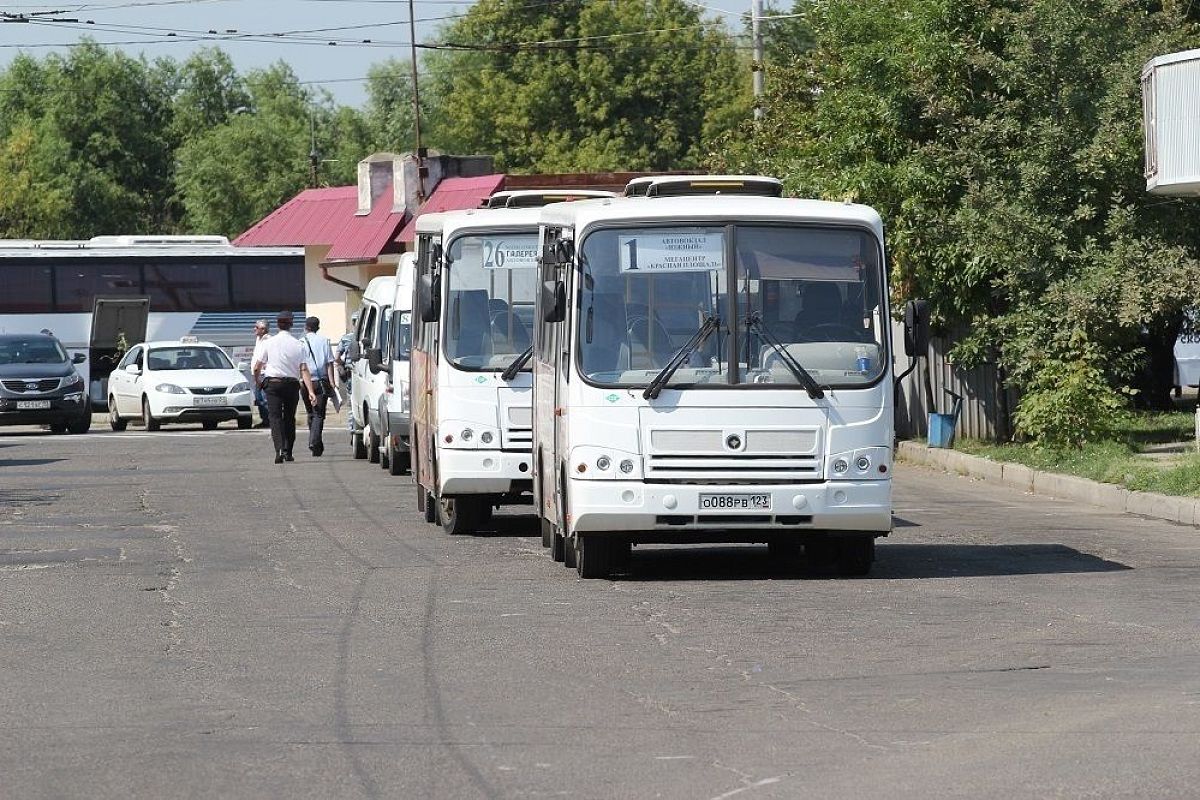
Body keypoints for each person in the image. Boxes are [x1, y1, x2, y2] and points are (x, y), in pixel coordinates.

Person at [252, 311, 317, 464]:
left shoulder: (268, 343)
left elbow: (257, 367)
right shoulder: (298, 344)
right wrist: (311, 391)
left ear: (277, 325)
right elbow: (303, 369)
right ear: (291, 325)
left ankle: (278, 450)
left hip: (273, 383)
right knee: (289, 417)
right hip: (291, 385)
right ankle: (288, 451)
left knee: (274, 418)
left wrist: (258, 382)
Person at [300, 315, 336, 457]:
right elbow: (329, 363)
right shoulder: (324, 341)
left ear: (305, 327)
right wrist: (332, 383)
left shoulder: (301, 342)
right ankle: (314, 441)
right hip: (321, 381)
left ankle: (316, 444)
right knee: (319, 414)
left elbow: (299, 364)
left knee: (311, 413)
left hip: (305, 381)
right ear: (318, 327)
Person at [250, 320, 271, 428]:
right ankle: (265, 419)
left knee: (264, 398)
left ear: (263, 329)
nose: (254, 329)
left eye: (256, 327)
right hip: (257, 373)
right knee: (259, 398)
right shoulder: (259, 339)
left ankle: (269, 421)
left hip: (263, 374)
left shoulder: (268, 340)